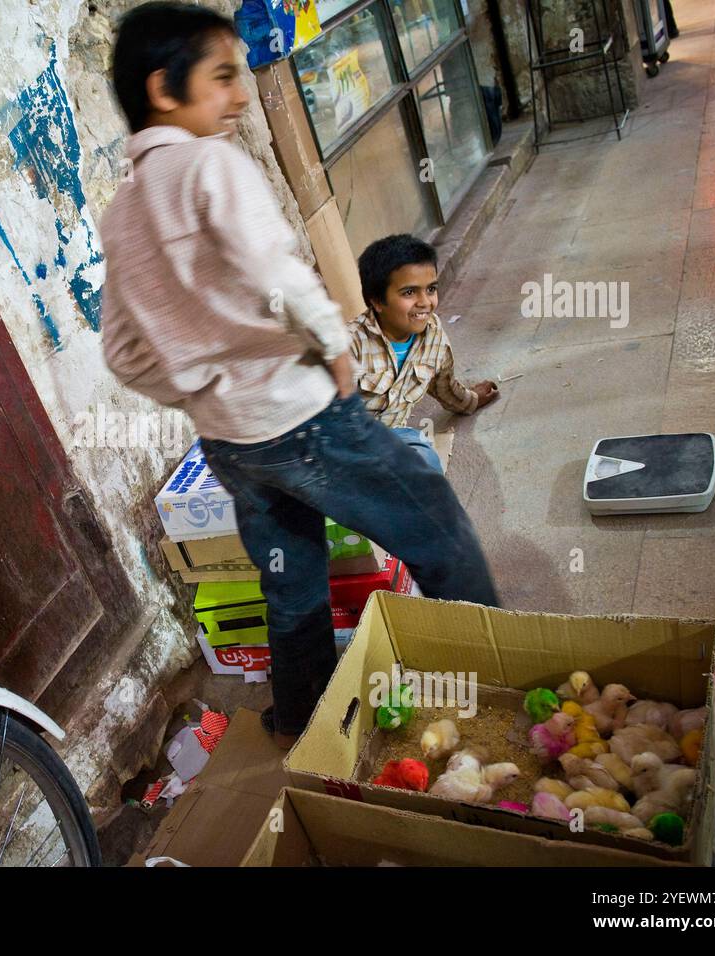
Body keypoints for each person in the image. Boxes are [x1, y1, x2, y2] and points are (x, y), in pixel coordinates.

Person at [99, 3, 500, 748]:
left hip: (229, 444)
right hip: (303, 419)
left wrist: (195, 388)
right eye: (222, 77)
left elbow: (122, 352)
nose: (242, 95)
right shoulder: (210, 163)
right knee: (436, 526)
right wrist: (331, 340)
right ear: (164, 88)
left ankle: (301, 726)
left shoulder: (122, 211)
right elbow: (270, 269)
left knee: (290, 584)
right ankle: (504, 684)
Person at [348, 234, 499, 473]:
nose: (425, 302)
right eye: (409, 293)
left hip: (395, 441)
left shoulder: (433, 335)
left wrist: (472, 400)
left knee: (424, 461)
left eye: (430, 289)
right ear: (377, 301)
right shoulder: (349, 346)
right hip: (348, 454)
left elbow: (444, 385)